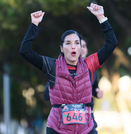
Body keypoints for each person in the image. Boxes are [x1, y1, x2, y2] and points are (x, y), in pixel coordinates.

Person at [19, 3, 118, 134]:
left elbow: (112, 43)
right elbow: (25, 51)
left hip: (86, 129)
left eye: (77, 43)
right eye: (68, 43)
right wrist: (34, 25)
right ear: (61, 48)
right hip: (57, 129)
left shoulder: (89, 64)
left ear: (80, 48)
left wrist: (101, 17)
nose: (73, 46)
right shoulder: (51, 65)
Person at [43, 34, 103, 134]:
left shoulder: (92, 69)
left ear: (87, 50)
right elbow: (46, 95)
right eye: (79, 45)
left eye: (83, 46)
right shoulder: (57, 70)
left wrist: (97, 92)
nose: (81, 48)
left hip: (87, 119)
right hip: (63, 123)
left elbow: (94, 87)